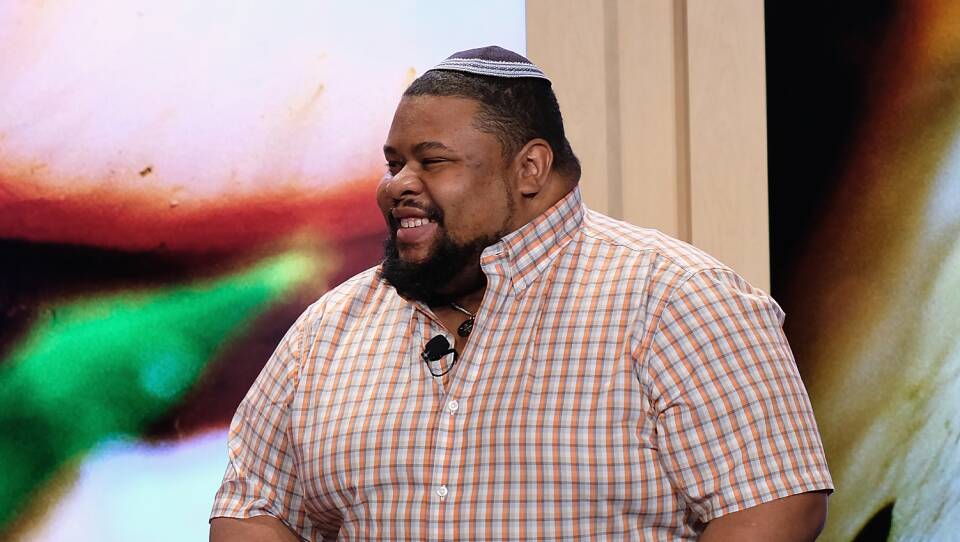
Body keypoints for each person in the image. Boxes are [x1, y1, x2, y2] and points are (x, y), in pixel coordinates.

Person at [210, 46, 833, 541]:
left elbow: (776, 505)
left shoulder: (677, 300)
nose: (397, 185)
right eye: (394, 163)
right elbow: (254, 507)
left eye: (432, 161)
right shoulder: (329, 328)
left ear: (529, 168)